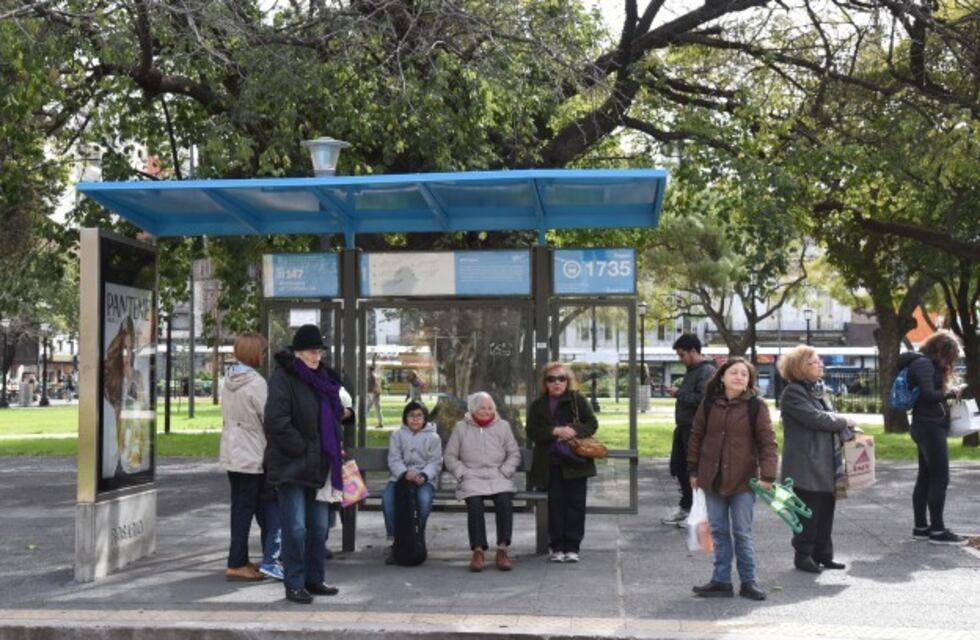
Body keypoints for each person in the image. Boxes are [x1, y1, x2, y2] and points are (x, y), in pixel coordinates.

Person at [264, 324, 345, 604]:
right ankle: (294, 582)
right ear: (297, 352)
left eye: (320, 351)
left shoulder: (323, 379)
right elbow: (276, 422)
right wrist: (303, 449)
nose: (317, 357)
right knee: (296, 528)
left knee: (318, 528)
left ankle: (315, 579)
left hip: (321, 465)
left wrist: (335, 445)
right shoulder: (283, 378)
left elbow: (333, 419)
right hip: (292, 465)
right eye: (312, 351)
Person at [687, 357, 778, 601]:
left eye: (744, 374)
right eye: (734, 372)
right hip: (712, 477)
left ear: (749, 381)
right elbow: (696, 437)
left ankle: (749, 582)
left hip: (743, 479)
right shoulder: (709, 404)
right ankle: (721, 581)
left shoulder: (756, 406)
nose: (739, 377)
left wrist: (768, 475)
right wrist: (693, 471)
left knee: (742, 532)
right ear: (723, 377)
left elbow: (767, 442)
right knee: (718, 531)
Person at [778, 345, 857, 573]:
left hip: (825, 461)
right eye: (815, 361)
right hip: (806, 463)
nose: (820, 364)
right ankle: (803, 556)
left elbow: (827, 418)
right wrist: (844, 420)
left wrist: (841, 422)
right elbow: (817, 419)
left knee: (825, 510)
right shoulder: (793, 392)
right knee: (807, 511)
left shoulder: (819, 390)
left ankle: (823, 555)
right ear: (802, 367)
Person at [220, 332, 280, 582]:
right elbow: (269, 416)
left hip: (232, 449)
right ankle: (236, 562)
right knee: (246, 509)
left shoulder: (229, 378)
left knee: (242, 505)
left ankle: (242, 558)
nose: (264, 355)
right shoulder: (256, 382)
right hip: (252, 450)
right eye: (262, 351)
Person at [898, 330, 968, 545]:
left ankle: (921, 527)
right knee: (940, 477)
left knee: (926, 477)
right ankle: (937, 530)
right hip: (930, 427)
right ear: (941, 351)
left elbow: (929, 397)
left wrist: (948, 394)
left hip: (925, 425)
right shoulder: (924, 365)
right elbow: (928, 395)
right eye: (951, 356)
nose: (952, 361)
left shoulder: (922, 364)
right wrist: (951, 393)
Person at [526, 362, 599, 563]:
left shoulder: (577, 400)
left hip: (576, 462)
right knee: (555, 506)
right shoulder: (538, 405)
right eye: (551, 379)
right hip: (550, 464)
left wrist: (573, 431)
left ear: (568, 381)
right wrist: (554, 431)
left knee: (575, 505)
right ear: (545, 383)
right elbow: (532, 432)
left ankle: (572, 547)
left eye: (561, 378)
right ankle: (557, 547)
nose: (557, 383)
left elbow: (592, 424)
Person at [444, 391, 521, 572]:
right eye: (481, 408)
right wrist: (462, 473)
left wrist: (505, 471)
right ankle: (478, 551)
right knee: (475, 504)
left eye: (489, 408)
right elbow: (450, 456)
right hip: (472, 476)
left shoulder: (503, 426)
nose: (486, 411)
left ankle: (502, 549)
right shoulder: (461, 428)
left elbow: (514, 453)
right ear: (472, 409)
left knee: (504, 501)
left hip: (498, 475)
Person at [664, 334, 717, 524]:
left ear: (694, 351)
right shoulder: (692, 370)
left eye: (682, 355)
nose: (680, 359)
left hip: (695, 430)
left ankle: (696, 511)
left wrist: (679, 393)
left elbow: (703, 400)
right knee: (678, 467)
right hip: (684, 427)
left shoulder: (707, 371)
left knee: (691, 470)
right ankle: (687, 506)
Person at [382, 401, 443, 562]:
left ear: (425, 418)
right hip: (400, 478)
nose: (415, 419)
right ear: (405, 418)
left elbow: (436, 462)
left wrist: (423, 475)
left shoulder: (433, 437)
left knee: (423, 501)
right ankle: (397, 541)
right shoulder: (397, 435)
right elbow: (394, 459)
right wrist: (404, 473)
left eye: (419, 416)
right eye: (411, 415)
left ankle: (417, 537)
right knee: (388, 500)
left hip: (423, 479)